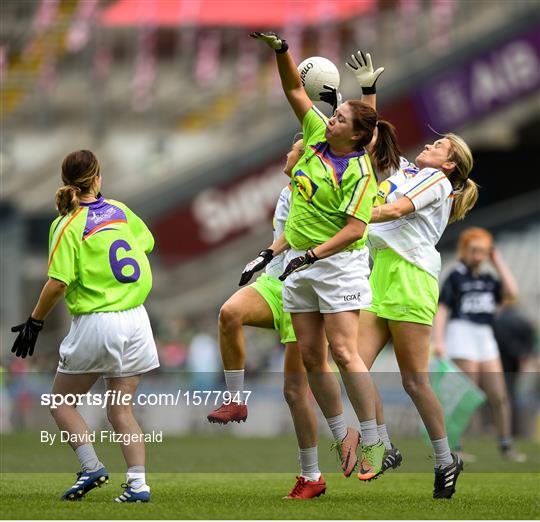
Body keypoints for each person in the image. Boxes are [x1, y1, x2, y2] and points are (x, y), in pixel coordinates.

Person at [247, 31, 402, 482]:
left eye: (338, 118)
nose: (328, 119)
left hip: (337, 265)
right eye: (331, 115)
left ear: (355, 134)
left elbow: (356, 229)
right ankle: (341, 435)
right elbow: (295, 88)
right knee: (312, 357)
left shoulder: (359, 171)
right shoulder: (315, 134)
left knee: (344, 351)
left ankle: (373, 437)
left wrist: (311, 254)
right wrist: (282, 52)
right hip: (301, 262)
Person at [347, 49, 480, 498]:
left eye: (440, 146)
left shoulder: (437, 181)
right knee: (352, 366)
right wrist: (369, 92)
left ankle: (446, 459)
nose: (431, 143)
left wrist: (354, 215)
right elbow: (367, 140)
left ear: (449, 165)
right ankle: (383, 445)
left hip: (410, 276)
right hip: (382, 273)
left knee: (413, 380)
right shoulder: (408, 170)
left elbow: (395, 209)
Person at [10, 150, 159, 502]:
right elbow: (146, 243)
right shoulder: (121, 211)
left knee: (61, 403)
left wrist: (35, 321)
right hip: (137, 320)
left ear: (65, 181)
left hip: (98, 321)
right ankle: (138, 485)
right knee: (121, 409)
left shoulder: (66, 223)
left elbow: (58, 282)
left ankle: (91, 466)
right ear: (98, 178)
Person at [208, 139, 327, 499]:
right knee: (229, 312)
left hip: (307, 286)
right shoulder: (287, 190)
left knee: (294, 392)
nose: (287, 154)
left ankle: (312, 475)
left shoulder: (319, 191)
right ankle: (236, 399)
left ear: (306, 158)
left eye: (293, 150)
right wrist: (264, 258)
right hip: (276, 281)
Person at [433, 227, 526, 462]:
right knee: (466, 394)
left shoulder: (488, 278)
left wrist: (497, 261)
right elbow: (442, 309)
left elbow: (512, 293)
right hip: (461, 333)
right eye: (474, 251)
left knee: (499, 394)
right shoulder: (455, 276)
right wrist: (439, 340)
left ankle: (506, 445)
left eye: (483, 252)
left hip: (484, 336)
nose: (478, 256)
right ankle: (454, 445)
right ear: (464, 250)